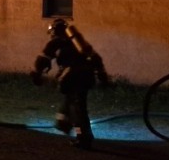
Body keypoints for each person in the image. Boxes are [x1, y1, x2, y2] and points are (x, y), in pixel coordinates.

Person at [30, 18, 110, 150]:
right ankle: (65, 124)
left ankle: (82, 138)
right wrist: (102, 76)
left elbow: (42, 60)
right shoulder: (79, 42)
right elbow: (96, 58)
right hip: (86, 77)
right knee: (73, 104)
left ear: (54, 31)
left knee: (77, 109)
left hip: (72, 78)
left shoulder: (55, 43)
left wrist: (36, 75)